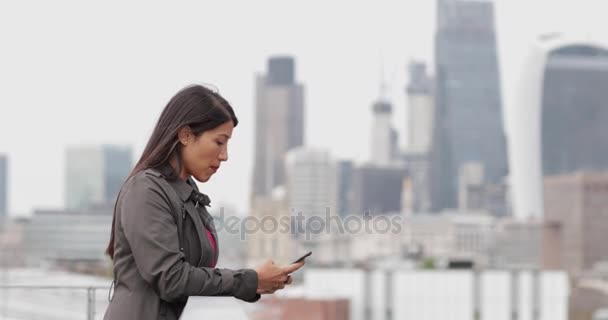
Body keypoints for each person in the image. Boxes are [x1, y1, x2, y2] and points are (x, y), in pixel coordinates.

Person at [103, 85, 304, 320]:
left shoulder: (186, 193)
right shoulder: (146, 190)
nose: (225, 155)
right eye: (219, 142)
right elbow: (171, 279)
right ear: (185, 135)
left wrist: (255, 282)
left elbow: (195, 277)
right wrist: (251, 280)